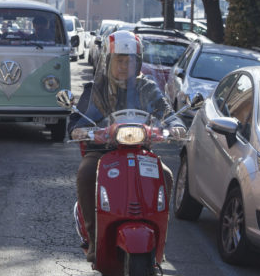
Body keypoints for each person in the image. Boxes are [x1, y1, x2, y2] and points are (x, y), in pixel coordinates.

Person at [67, 30, 185, 262]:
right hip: (102, 151)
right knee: (86, 172)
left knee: (166, 175)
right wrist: (81, 130)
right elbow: (78, 119)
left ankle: (158, 240)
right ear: (108, 61)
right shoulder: (96, 89)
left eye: (129, 61)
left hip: (140, 151)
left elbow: (167, 112)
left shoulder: (146, 87)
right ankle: (93, 237)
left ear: (137, 63)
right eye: (119, 60)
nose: (123, 66)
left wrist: (176, 126)